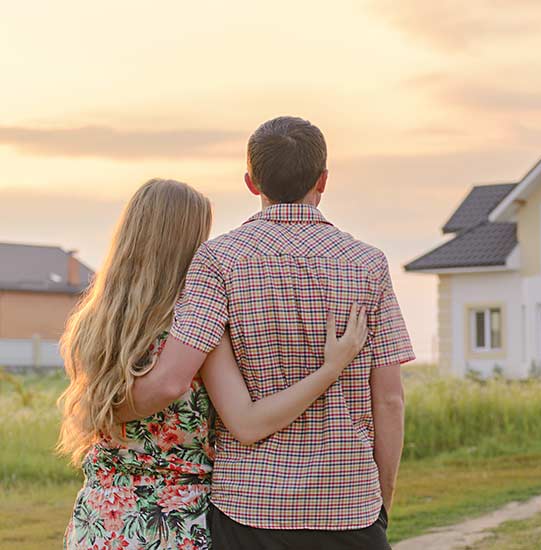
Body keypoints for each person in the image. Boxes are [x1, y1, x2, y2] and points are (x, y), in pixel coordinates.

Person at [119, 116, 415, 549]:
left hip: (248, 511)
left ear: (252, 182)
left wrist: (100, 411)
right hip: (349, 505)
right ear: (323, 180)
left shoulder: (218, 261)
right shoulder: (368, 265)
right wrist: (381, 501)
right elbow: (389, 400)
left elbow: (172, 377)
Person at [60, 178, 370, 549]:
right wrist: (330, 369)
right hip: (174, 523)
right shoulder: (195, 327)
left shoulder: (92, 324)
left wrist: (105, 409)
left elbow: (103, 409)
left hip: (98, 519)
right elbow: (249, 422)